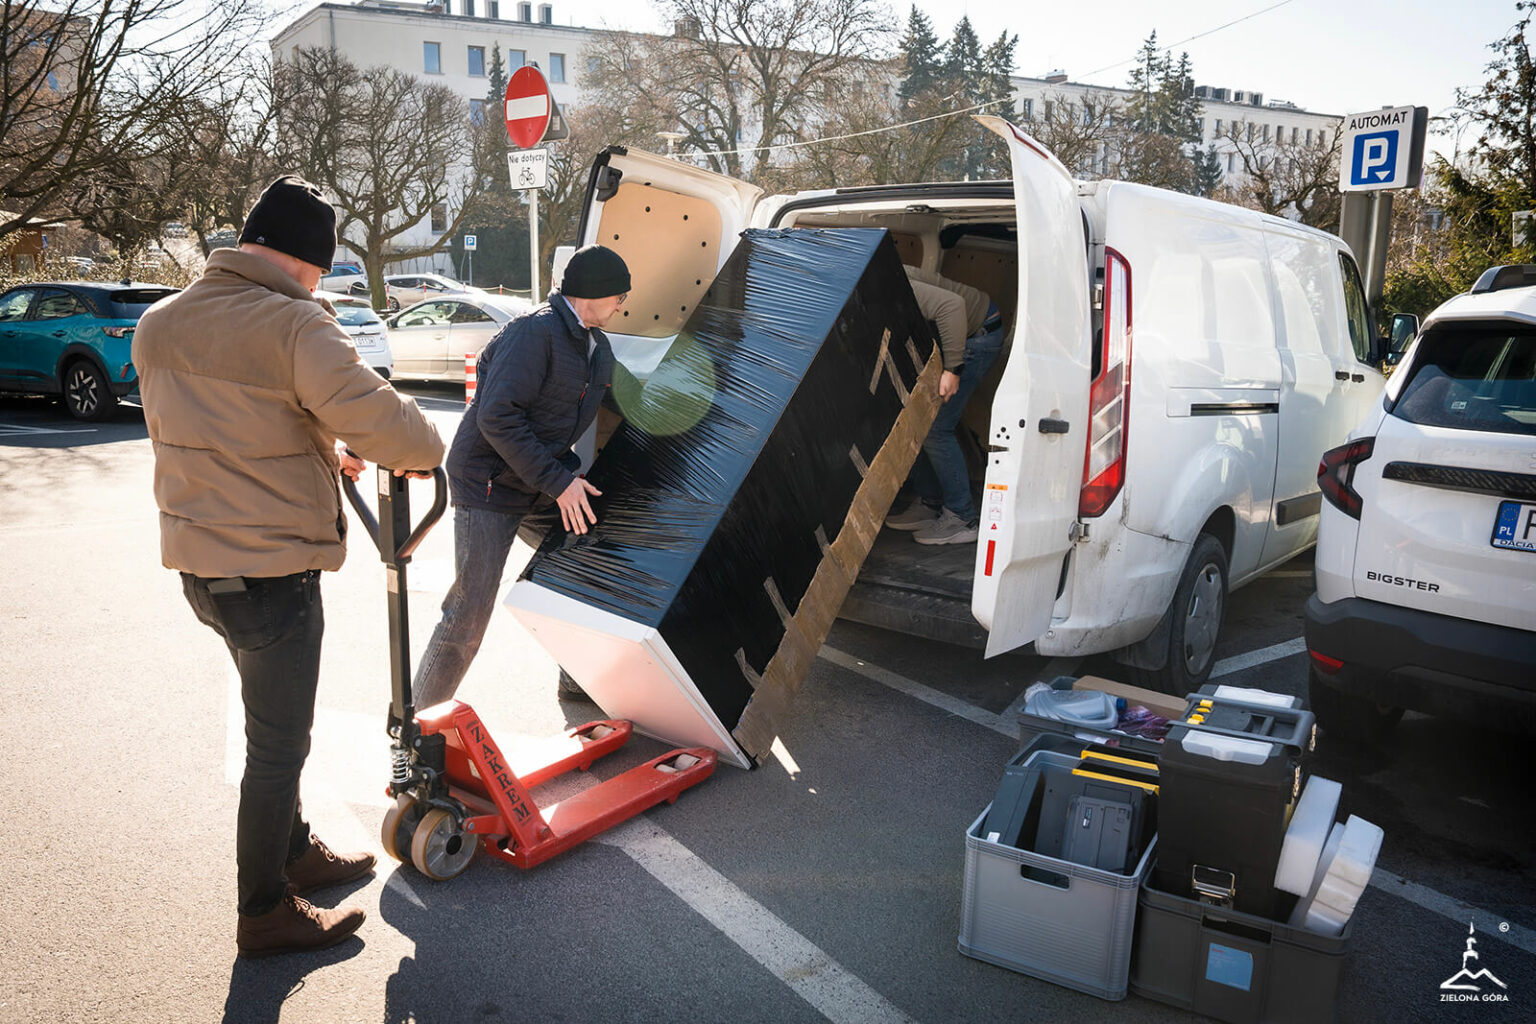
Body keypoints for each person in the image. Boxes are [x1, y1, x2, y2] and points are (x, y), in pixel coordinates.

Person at [133, 175, 445, 958]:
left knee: (273, 728)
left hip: (202, 570)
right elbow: (398, 432)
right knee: (277, 750)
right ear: (307, 261)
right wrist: (423, 445)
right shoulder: (295, 324)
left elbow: (227, 429)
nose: (317, 284)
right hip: (272, 575)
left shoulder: (161, 322)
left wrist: (320, 450)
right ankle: (264, 910)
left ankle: (295, 850)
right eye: (319, 270)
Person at [410, 244, 631, 710]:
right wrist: (560, 483)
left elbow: (620, 402)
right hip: (488, 483)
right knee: (469, 614)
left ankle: (576, 676)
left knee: (588, 556)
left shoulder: (598, 349)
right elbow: (497, 417)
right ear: (595, 293)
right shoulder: (534, 333)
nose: (621, 306)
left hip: (536, 481)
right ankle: (417, 725)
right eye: (619, 297)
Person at [884, 264, 1007, 545]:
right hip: (966, 330)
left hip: (980, 335)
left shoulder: (890, 284)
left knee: (937, 428)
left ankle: (962, 518)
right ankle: (930, 503)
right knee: (917, 420)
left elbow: (952, 306)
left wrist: (953, 369)